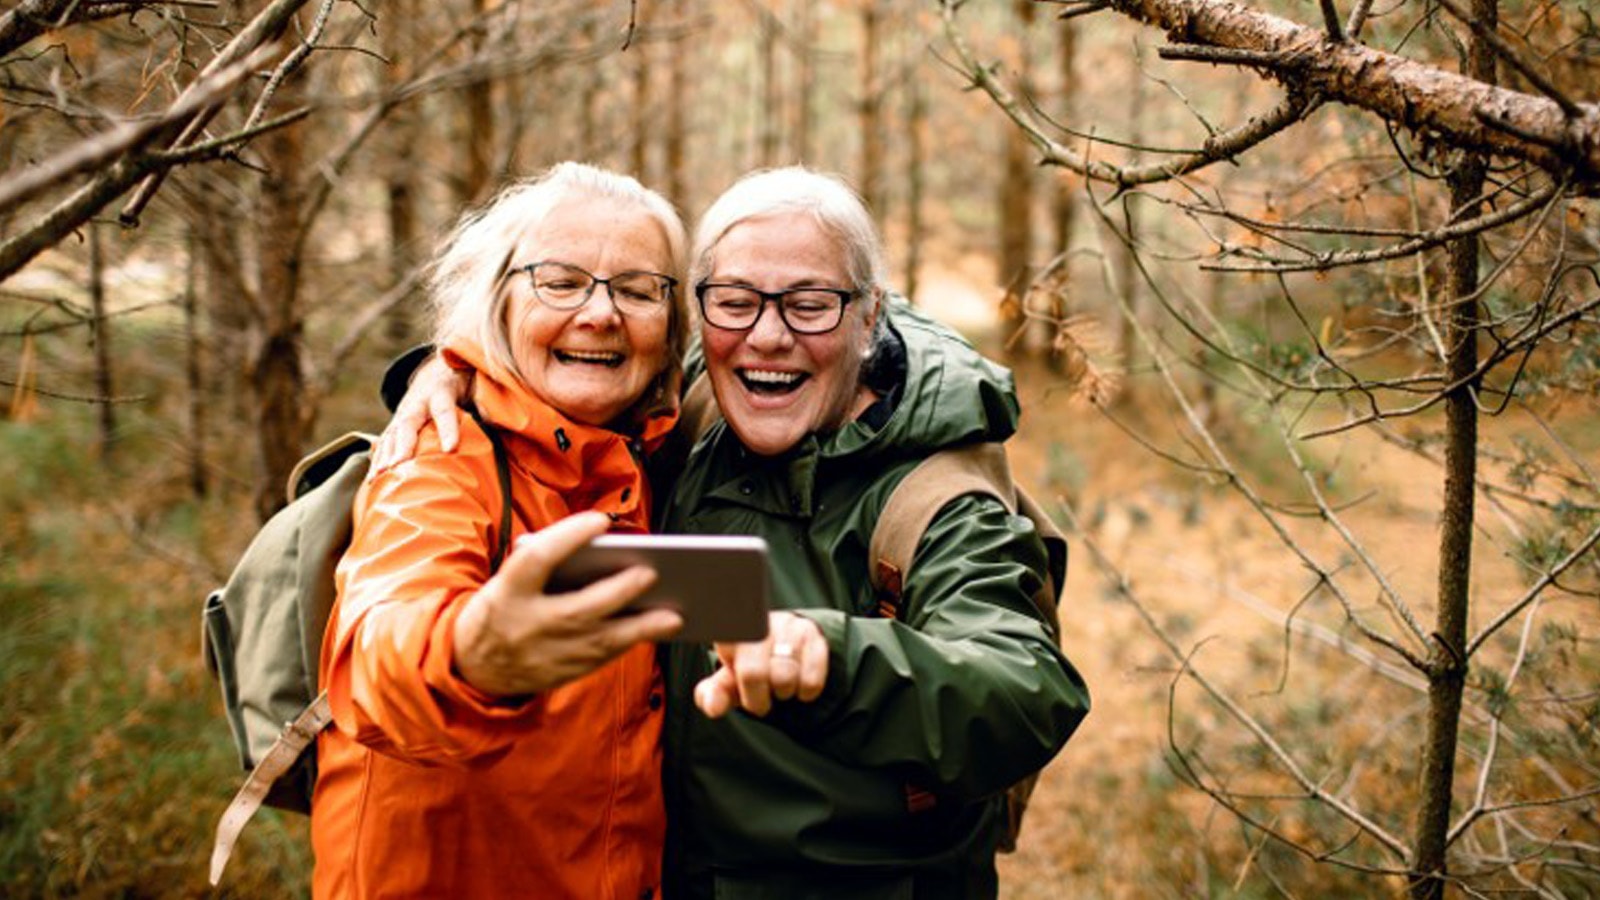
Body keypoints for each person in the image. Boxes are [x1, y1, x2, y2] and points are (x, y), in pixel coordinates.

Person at [386, 167, 1090, 899]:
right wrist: (444, 369)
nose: (769, 336)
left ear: (869, 314)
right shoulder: (697, 402)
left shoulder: (938, 498)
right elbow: (567, 342)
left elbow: (1025, 690)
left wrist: (836, 660)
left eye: (810, 305)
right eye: (735, 302)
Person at [311, 161, 691, 900]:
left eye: (638, 290)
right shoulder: (443, 455)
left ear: (672, 326)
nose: (601, 314)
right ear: (499, 300)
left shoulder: (656, 451)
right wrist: (471, 656)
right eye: (561, 281)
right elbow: (380, 642)